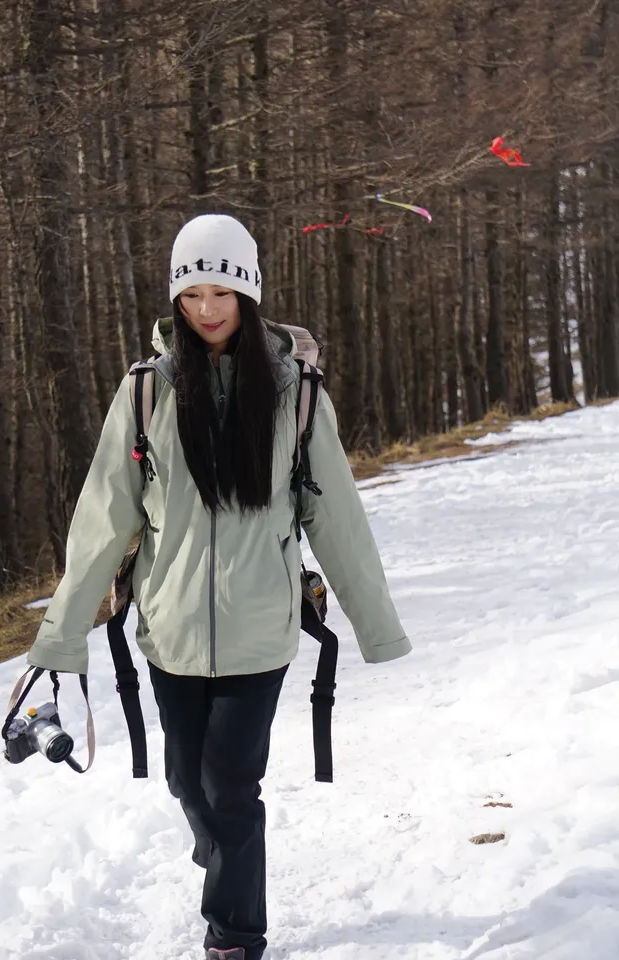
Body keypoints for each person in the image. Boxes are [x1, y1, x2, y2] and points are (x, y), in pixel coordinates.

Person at [27, 214, 411, 960]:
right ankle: (226, 857)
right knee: (188, 785)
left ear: (250, 293)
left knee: (233, 789)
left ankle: (233, 934)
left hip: (261, 629)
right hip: (169, 633)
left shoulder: (297, 395)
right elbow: (102, 520)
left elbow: (337, 519)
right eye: (192, 292)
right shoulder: (147, 393)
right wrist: (61, 632)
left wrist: (376, 625)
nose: (206, 309)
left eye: (222, 291)